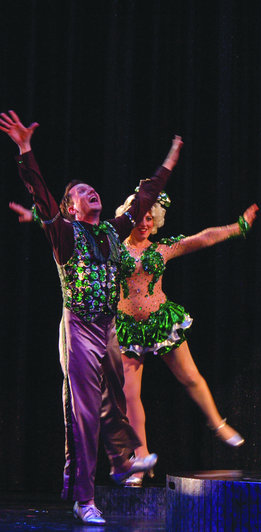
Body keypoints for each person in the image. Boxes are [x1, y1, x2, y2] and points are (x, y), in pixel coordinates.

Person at [1, 110, 179, 525]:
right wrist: (25, 150)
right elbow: (42, 197)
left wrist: (169, 161)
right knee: (83, 412)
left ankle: (120, 465)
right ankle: (85, 498)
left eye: (91, 187)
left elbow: (145, 198)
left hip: (108, 326)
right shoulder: (63, 233)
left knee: (113, 397)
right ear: (71, 208)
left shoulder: (112, 231)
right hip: (78, 326)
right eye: (81, 192)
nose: (90, 191)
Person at [112, 194, 258, 485]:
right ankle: (140, 458)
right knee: (129, 396)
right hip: (127, 327)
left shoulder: (162, 248)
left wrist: (237, 226)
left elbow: (201, 239)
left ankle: (217, 424)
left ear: (155, 222)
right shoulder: (113, 249)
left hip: (161, 321)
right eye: (139, 217)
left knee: (191, 377)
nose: (144, 222)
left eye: (149, 218)